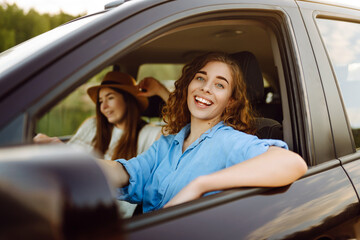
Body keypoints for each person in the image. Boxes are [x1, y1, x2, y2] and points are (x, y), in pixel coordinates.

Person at [99, 52, 308, 213]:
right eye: (200, 78)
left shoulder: (228, 140)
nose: (206, 88)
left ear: (230, 102)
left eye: (219, 84)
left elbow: (293, 164)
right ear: (188, 86)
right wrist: (77, 166)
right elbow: (127, 172)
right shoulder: (168, 143)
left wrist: (200, 185)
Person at [34, 71, 170, 217]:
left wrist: (160, 90)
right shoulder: (92, 126)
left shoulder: (149, 133)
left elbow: (184, 126)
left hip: (104, 214)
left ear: (128, 100)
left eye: (110, 98)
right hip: (73, 202)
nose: (103, 106)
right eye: (100, 101)